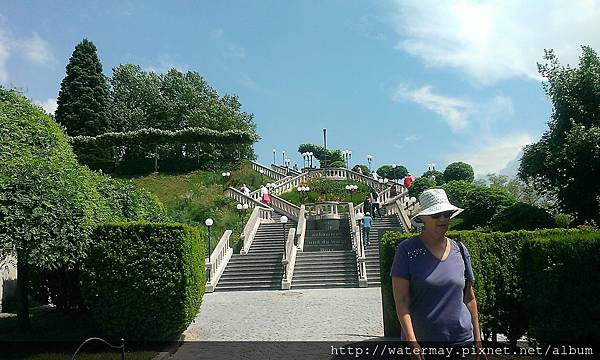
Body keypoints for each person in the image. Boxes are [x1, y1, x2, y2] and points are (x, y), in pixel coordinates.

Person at [390, 189, 485, 359]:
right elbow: (402, 301)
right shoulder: (407, 251)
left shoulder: (460, 250)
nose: (442, 219)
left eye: (446, 214)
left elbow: (469, 297)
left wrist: (478, 340)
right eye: (436, 215)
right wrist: (412, 343)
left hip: (462, 342)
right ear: (423, 219)